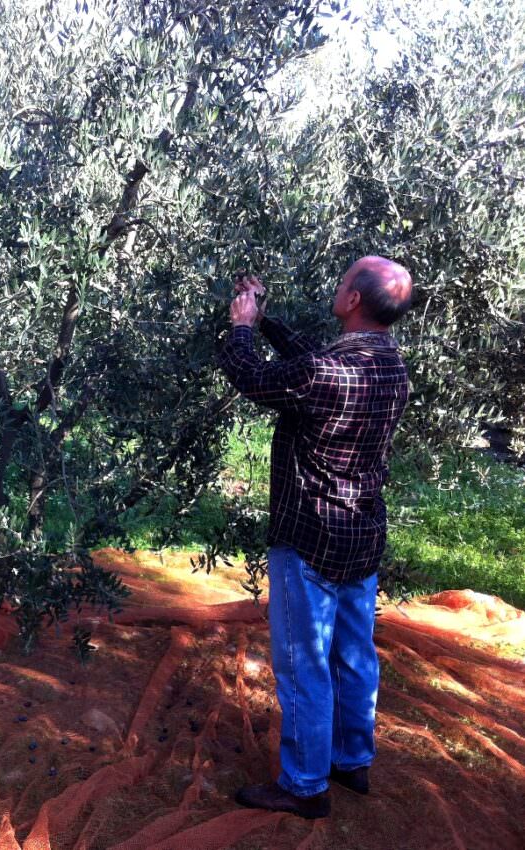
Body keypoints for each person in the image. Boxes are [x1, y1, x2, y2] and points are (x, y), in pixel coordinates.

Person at [219, 256, 413, 819]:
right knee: (354, 654)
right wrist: (268, 320)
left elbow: (253, 377)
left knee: (304, 663)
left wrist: (240, 327)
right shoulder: (391, 367)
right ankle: (352, 759)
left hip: (310, 536)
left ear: (353, 300)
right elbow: (314, 360)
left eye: (344, 279)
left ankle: (304, 785)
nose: (337, 284)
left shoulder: (325, 373)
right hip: (362, 533)